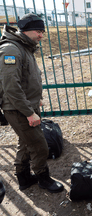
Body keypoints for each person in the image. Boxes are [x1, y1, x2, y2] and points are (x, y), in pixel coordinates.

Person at [0, 13, 63, 193]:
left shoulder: (23, 47)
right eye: (39, 31)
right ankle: (43, 179)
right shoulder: (11, 50)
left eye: (42, 31)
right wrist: (29, 112)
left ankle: (24, 178)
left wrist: (36, 99)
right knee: (39, 145)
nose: (42, 35)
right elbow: (11, 87)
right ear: (26, 30)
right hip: (18, 110)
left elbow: (26, 79)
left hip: (25, 106)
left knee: (25, 143)